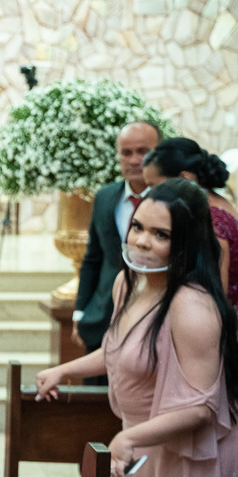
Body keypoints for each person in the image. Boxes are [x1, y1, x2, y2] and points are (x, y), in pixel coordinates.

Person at [38, 178, 238, 477]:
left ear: (187, 242)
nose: (142, 241)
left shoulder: (192, 305)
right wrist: (62, 370)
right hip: (140, 443)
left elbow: (201, 408)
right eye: (138, 227)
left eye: (161, 234)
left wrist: (129, 437)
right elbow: (117, 349)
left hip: (184, 453)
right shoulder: (128, 282)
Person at [73, 121, 162, 359]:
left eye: (143, 151)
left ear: (159, 153)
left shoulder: (171, 201)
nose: (134, 160)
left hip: (153, 322)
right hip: (101, 322)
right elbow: (93, 259)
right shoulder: (104, 197)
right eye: (126, 152)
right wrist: (80, 312)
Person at [142, 137, 238, 308]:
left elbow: (213, 301)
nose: (152, 195)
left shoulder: (210, 223)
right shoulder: (219, 203)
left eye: (155, 187)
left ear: (185, 179)